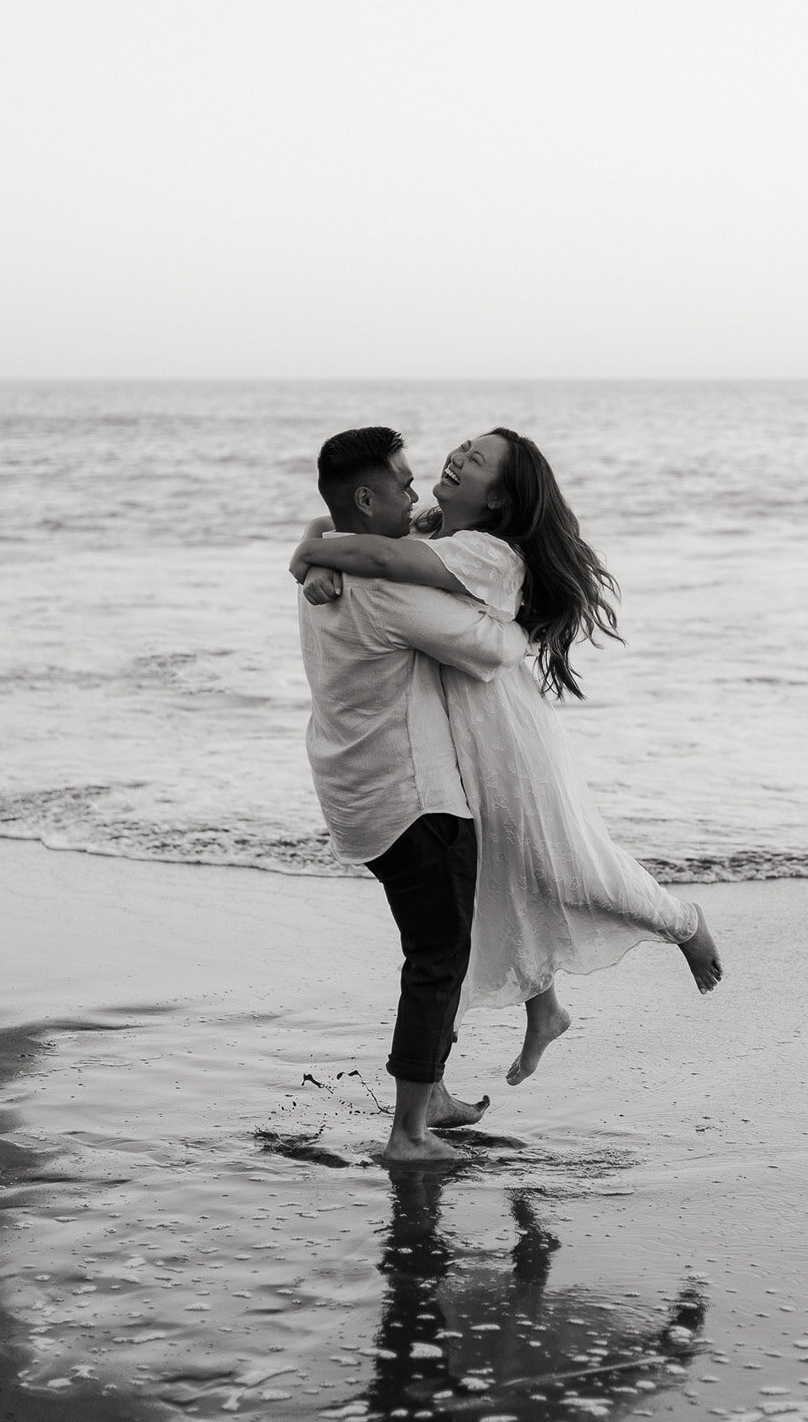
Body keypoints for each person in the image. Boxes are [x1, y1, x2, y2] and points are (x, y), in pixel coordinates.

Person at [291, 428, 723, 1089]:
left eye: (477, 461)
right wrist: (317, 553)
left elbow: (377, 560)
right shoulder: (431, 525)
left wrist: (314, 557)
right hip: (453, 732)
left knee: (559, 861)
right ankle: (542, 1008)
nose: (457, 457)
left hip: (501, 728)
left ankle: (681, 923)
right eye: (463, 447)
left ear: (498, 498)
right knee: (497, 870)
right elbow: (351, 527)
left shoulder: (486, 554)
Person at [297, 426, 528, 1164]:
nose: (416, 489)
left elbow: (329, 542)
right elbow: (492, 650)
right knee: (436, 958)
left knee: (430, 949)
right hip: (413, 797)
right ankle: (407, 1135)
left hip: (355, 791)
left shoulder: (327, 565)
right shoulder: (384, 587)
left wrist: (308, 550)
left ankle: (427, 1096)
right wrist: (518, 612)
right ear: (365, 498)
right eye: (400, 482)